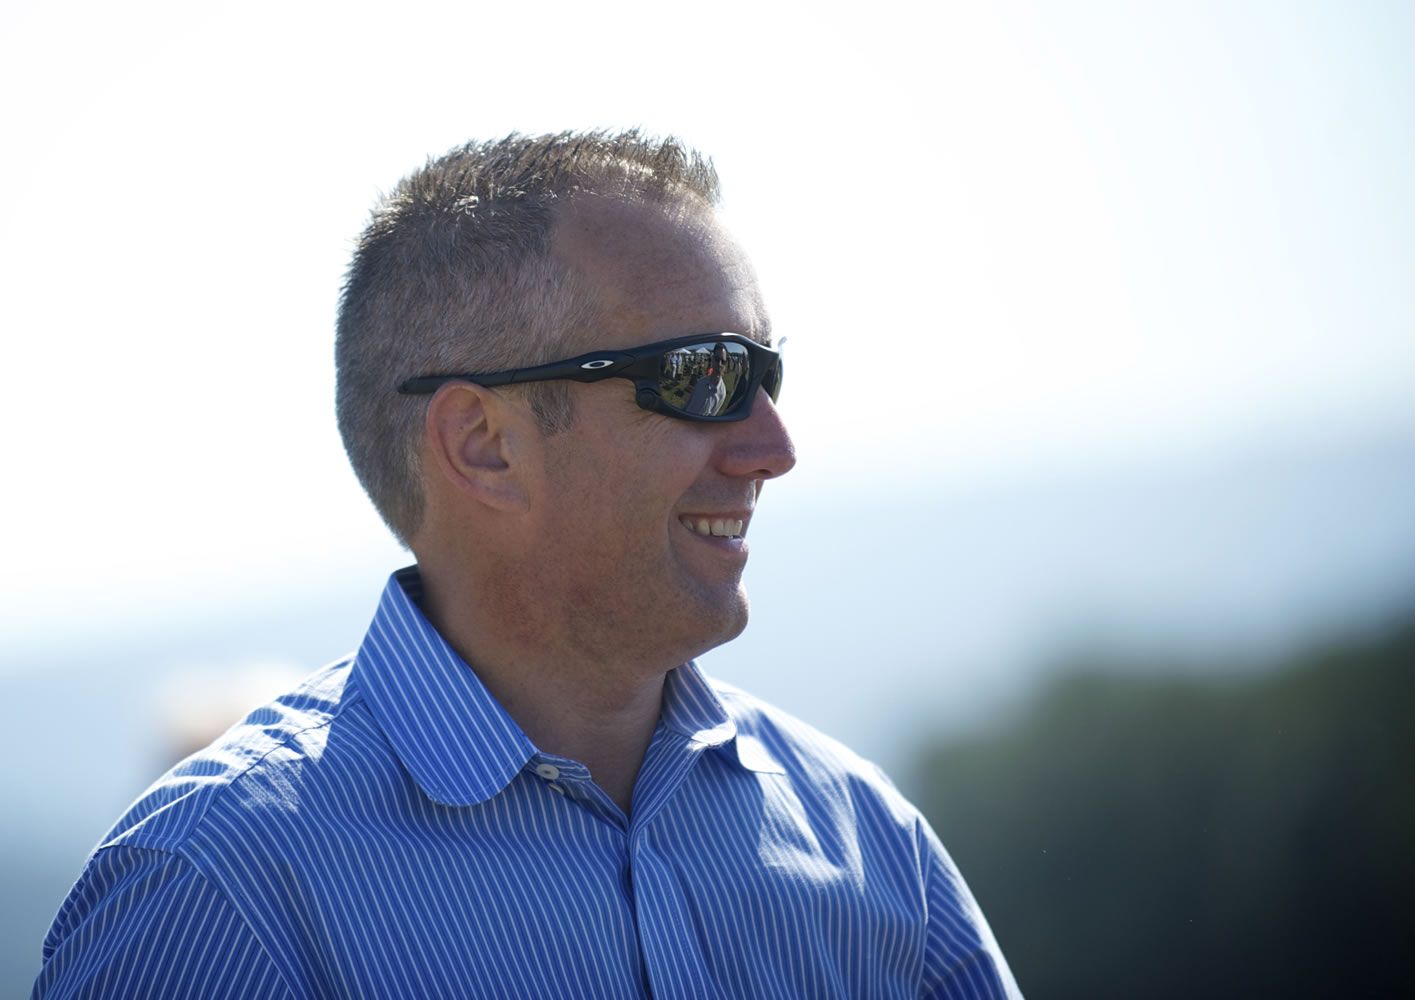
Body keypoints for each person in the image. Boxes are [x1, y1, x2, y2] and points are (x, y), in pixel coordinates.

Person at [32, 131, 1022, 999]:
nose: (772, 446)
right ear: (482, 444)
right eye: (704, 376)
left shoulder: (868, 848)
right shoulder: (213, 888)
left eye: (764, 373)